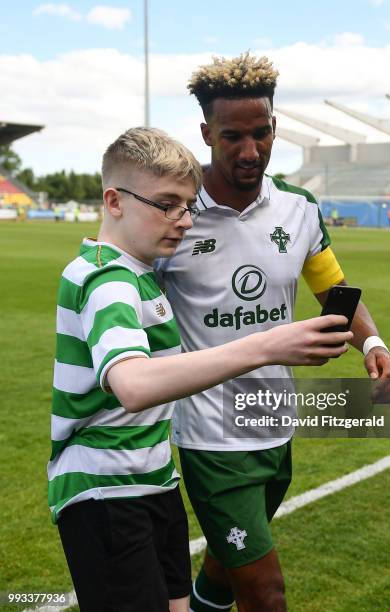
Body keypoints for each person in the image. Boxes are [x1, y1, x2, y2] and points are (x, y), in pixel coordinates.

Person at [48, 127, 353, 612]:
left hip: (154, 480)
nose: (184, 220)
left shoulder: (142, 275)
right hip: (104, 491)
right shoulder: (107, 280)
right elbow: (132, 384)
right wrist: (264, 346)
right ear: (114, 200)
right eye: (167, 204)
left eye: (188, 205)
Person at [155, 53, 390, 612]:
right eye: (233, 137)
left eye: (262, 133)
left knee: (226, 566)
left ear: (275, 126)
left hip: (274, 421)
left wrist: (374, 344)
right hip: (210, 437)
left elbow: (333, 287)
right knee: (266, 592)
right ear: (205, 134)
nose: (250, 151)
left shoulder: (299, 209)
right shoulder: (176, 213)